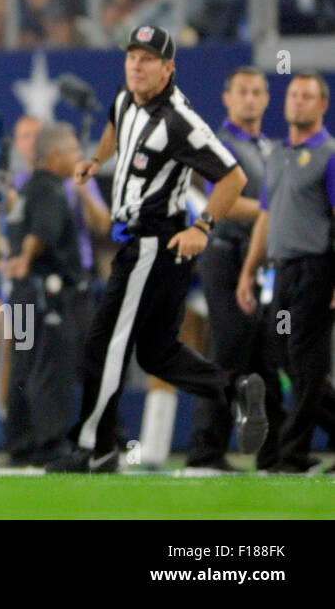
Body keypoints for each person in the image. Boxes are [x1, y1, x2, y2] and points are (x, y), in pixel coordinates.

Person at [48, 25, 264, 473]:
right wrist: (96, 159)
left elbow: (233, 178)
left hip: (153, 244)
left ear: (169, 69)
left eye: (148, 59)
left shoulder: (180, 121)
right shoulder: (128, 98)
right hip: (147, 249)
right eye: (132, 56)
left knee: (104, 344)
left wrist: (204, 225)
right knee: (157, 353)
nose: (137, 65)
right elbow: (114, 125)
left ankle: (94, 449)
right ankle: (235, 388)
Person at [184, 67, 285, 473]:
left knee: (265, 356)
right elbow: (220, 200)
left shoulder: (268, 147)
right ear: (227, 98)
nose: (250, 98)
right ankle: (204, 451)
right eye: (242, 91)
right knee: (226, 352)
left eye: (257, 91)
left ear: (266, 99)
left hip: (259, 259)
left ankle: (276, 454)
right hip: (225, 254)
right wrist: (277, 211)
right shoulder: (218, 144)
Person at [237, 73, 335, 473]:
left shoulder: (329, 155)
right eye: (294, 95)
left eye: (308, 97)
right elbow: (266, 217)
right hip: (280, 274)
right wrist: (248, 272)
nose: (299, 102)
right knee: (280, 353)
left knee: (306, 359)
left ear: (323, 105)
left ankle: (291, 456)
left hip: (316, 270)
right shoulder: (276, 154)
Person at [4, 122, 93, 466]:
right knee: (51, 366)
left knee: (24, 368)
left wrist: (19, 263)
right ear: (54, 156)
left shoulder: (27, 189)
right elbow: (42, 231)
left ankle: (21, 443)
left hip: (25, 293)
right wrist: (26, 258)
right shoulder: (51, 190)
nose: (79, 157)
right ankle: (50, 443)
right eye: (73, 150)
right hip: (48, 294)